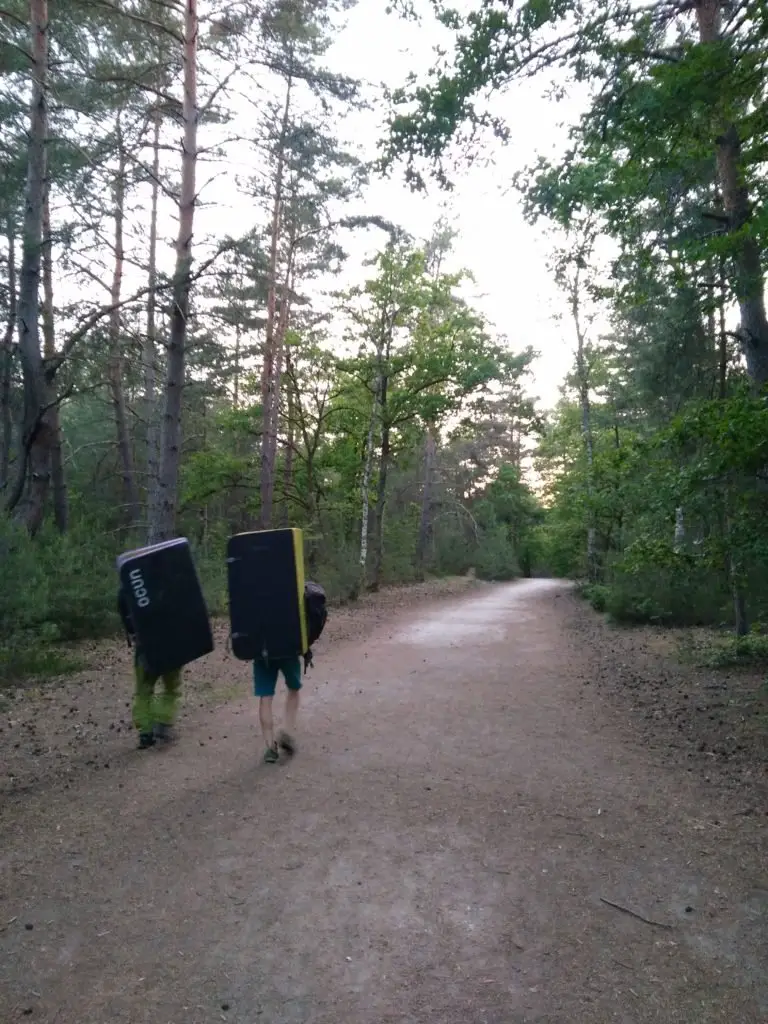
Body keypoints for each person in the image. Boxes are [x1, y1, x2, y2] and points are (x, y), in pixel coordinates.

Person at [118, 586, 182, 750]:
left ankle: (145, 734)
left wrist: (132, 631)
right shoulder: (166, 576)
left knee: (144, 691)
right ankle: (162, 722)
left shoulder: (131, 579)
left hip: (144, 649)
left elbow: (123, 608)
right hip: (170, 646)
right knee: (172, 688)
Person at [253, 654, 302, 764]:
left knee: (265, 698)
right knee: (293, 689)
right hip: (288, 650)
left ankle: (271, 747)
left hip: (262, 652)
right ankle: (287, 731)